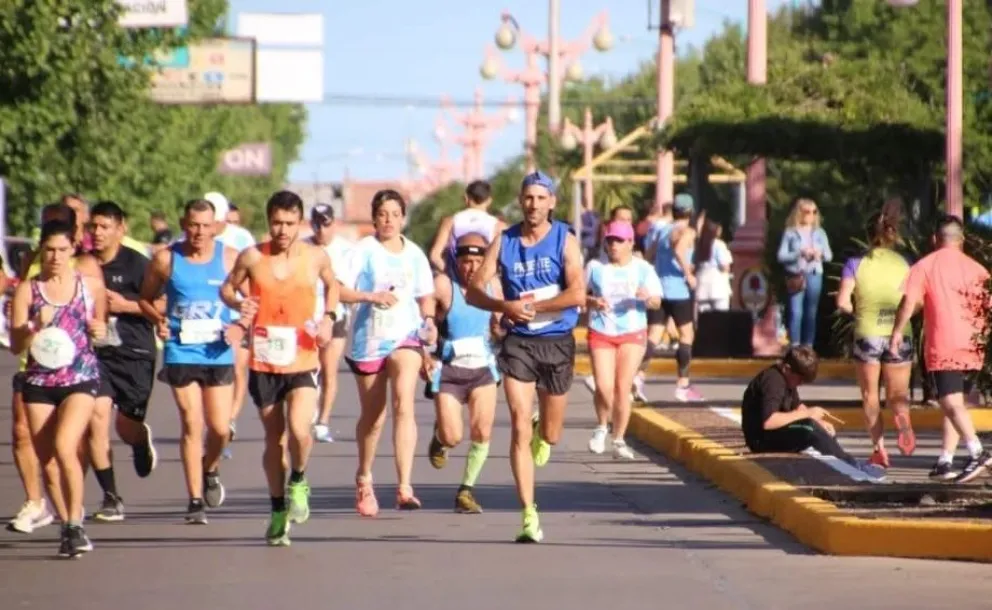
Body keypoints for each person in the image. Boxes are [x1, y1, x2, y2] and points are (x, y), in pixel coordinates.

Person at [465, 170, 585, 543]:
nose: (533, 205)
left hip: (557, 340)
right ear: (520, 201)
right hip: (519, 342)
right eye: (528, 198)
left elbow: (577, 293)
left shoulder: (565, 239)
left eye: (540, 198)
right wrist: (505, 306)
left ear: (552, 203)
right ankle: (528, 514)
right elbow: (473, 291)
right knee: (517, 422)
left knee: (552, 433)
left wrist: (534, 306)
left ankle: (542, 430)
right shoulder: (505, 241)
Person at [220, 190, 338, 546]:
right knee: (275, 439)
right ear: (268, 221)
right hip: (265, 359)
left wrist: (329, 318)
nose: (282, 230)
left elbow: (333, 286)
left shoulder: (315, 256)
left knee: (300, 429)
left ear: (299, 223)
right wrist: (239, 305)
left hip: (303, 357)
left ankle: (298, 479)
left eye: (289, 223)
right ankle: (276, 510)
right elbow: (227, 289)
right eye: (276, 223)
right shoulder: (253, 256)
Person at [11, 219, 107, 558]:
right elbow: (15, 345)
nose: (55, 256)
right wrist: (32, 327)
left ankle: (75, 524)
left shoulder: (89, 286)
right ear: (42, 250)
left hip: (79, 378)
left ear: (73, 249)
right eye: (49, 250)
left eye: (62, 249)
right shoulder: (28, 290)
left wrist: (101, 331)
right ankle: (67, 525)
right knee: (48, 460)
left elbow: (104, 331)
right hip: (39, 382)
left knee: (66, 447)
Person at [139, 199, 239, 524]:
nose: (199, 232)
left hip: (217, 351)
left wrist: (240, 325)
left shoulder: (230, 258)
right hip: (181, 350)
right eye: (193, 225)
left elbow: (250, 300)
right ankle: (195, 500)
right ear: (184, 224)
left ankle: (210, 468)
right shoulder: (166, 259)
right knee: (192, 422)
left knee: (220, 429)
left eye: (205, 225)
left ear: (216, 227)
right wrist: (158, 319)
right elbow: (145, 298)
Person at [339, 189, 437, 517]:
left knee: (403, 403)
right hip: (368, 340)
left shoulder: (415, 254)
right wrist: (371, 297)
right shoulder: (364, 250)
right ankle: (364, 477)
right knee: (374, 417)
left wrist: (429, 321)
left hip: (405, 336)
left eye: (395, 214)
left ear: (403, 218)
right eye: (382, 214)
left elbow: (426, 297)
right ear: (374, 218)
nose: (389, 220)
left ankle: (404, 486)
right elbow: (338, 290)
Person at [890, 215, 992, 483]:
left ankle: (977, 452)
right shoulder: (979, 270)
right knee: (956, 404)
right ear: (962, 240)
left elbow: (909, 302)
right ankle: (946, 459)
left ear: (935, 239)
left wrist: (897, 331)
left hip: (944, 344)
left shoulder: (925, 265)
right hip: (973, 345)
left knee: (949, 401)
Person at [87, 201, 161, 522]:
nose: (98, 233)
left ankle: (139, 440)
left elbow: (164, 302)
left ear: (121, 229)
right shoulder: (84, 264)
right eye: (93, 226)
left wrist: (126, 305)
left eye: (105, 226)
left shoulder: (138, 264)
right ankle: (111, 496)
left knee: (125, 426)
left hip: (135, 354)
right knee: (96, 417)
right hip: (96, 355)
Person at [425, 232, 502, 513]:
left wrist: (502, 328)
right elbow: (424, 319)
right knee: (453, 437)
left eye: (478, 262)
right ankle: (440, 438)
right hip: (449, 371)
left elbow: (500, 323)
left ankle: (466, 491)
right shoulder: (444, 285)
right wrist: (426, 348)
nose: (471, 268)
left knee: (482, 431)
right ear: (456, 261)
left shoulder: (493, 285)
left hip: (483, 370)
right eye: (466, 261)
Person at [836, 201, 915, 469]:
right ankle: (903, 423)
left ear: (868, 234)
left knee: (870, 395)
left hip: (867, 333)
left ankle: (879, 449)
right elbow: (916, 301)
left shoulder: (855, 263)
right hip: (899, 334)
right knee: (898, 394)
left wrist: (855, 310)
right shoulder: (905, 263)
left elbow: (842, 302)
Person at [584, 221, 662, 460]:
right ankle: (601, 427)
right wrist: (592, 301)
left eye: (619, 241)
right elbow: (577, 295)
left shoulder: (643, 269)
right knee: (604, 386)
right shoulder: (595, 267)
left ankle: (618, 439)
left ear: (630, 243)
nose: (614, 245)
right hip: (601, 330)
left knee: (622, 387)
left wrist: (646, 297)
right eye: (610, 241)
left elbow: (656, 301)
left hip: (633, 332)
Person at [741, 346, 884, 477]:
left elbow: (797, 406)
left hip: (772, 434)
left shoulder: (787, 379)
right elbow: (769, 421)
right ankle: (852, 466)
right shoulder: (773, 381)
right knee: (809, 427)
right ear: (787, 368)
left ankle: (844, 464)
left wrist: (820, 423)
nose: (800, 384)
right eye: (800, 379)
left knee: (818, 427)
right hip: (761, 440)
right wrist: (809, 415)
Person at [201, 192, 256, 456]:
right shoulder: (191, 238)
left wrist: (246, 315)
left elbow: (253, 278)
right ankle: (214, 426)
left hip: (236, 317)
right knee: (208, 376)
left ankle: (228, 420)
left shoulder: (241, 239)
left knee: (236, 368)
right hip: (205, 320)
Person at [307, 203, 352, 443]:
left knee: (329, 369)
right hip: (307, 318)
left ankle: (323, 422)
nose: (321, 230)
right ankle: (309, 412)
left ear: (334, 224)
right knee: (309, 368)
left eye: (326, 224)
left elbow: (341, 287)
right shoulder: (302, 247)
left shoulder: (345, 250)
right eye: (317, 225)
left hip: (335, 315)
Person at [651, 193, 703, 402]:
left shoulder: (663, 230)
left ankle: (637, 378)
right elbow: (680, 251)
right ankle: (683, 384)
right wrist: (688, 273)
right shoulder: (687, 231)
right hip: (678, 290)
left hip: (659, 287)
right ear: (690, 212)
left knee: (653, 336)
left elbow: (650, 253)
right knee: (686, 336)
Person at [777, 197, 833, 347]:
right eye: (807, 211)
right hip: (797, 275)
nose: (811, 215)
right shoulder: (790, 232)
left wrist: (819, 254)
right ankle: (795, 347)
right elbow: (781, 256)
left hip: (814, 274)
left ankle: (808, 347)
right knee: (796, 312)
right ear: (799, 212)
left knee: (811, 313)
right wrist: (799, 253)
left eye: (814, 212)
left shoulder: (820, 233)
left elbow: (829, 255)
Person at [428, 180, 504, 275]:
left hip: (456, 279)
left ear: (466, 198)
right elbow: (506, 260)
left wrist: (452, 276)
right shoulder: (499, 226)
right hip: (485, 280)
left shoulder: (450, 222)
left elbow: (434, 256)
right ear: (489, 201)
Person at [693, 220, 733, 312]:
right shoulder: (719, 245)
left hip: (702, 287)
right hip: (718, 287)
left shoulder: (698, 245)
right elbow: (725, 266)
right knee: (721, 317)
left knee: (704, 317)